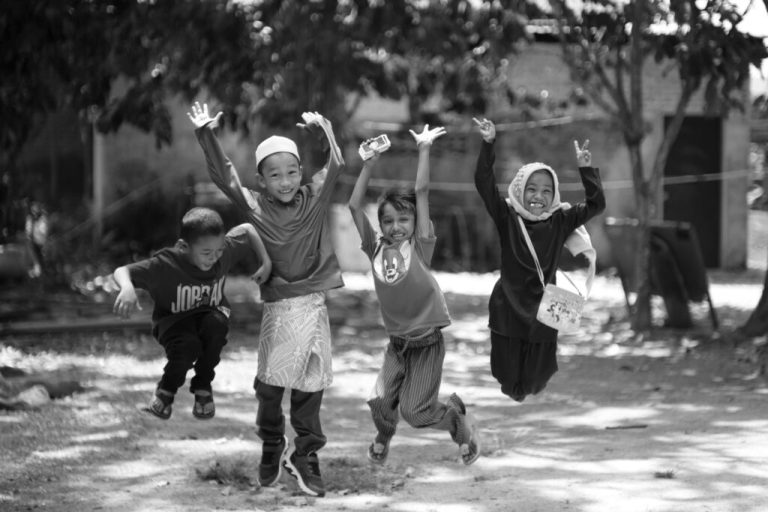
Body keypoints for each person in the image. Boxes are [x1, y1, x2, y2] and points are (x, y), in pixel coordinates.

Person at [188, 102, 345, 498]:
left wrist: (324, 129)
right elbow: (224, 176)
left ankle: (305, 454)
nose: (285, 181)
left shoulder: (313, 198)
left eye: (292, 172)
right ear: (261, 180)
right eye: (274, 175)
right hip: (280, 308)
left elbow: (337, 165)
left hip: (313, 304)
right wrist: (206, 134)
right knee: (270, 388)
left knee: (311, 385)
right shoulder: (255, 206)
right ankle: (273, 441)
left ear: (301, 173)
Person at [348, 125, 481, 466]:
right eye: (388, 221)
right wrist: (368, 164)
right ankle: (383, 435)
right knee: (379, 401)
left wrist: (423, 148)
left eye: (403, 219)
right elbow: (353, 205)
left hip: (426, 345)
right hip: (397, 345)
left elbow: (421, 190)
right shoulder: (374, 247)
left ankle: (458, 423)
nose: (395, 226)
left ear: (414, 222)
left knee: (415, 412)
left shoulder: (420, 246)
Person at [472, 117, 606, 402]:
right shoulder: (507, 216)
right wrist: (488, 143)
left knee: (537, 378)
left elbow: (597, 205)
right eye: (531, 189)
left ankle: (528, 389)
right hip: (508, 305)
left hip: (546, 307)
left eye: (547, 191)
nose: (538, 196)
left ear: (554, 194)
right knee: (507, 376)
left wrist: (586, 169)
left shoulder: (561, 219)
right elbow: (483, 183)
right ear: (520, 190)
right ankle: (513, 389)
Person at [112, 207, 271, 420]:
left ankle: (203, 386)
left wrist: (266, 261)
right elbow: (122, 271)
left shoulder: (220, 252)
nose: (214, 258)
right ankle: (166, 391)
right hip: (174, 323)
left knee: (217, 325)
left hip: (209, 317)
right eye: (206, 253)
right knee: (188, 347)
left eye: (219, 251)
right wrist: (127, 288)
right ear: (183, 247)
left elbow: (248, 229)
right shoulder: (166, 264)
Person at [24, 201, 48, 278]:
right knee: (35, 257)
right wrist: (29, 236)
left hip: (40, 241)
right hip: (32, 241)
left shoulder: (42, 218)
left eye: (36, 209)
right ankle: (37, 272)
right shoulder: (30, 218)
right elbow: (28, 229)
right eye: (33, 209)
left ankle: (42, 273)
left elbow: (43, 230)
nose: (34, 211)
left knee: (41, 257)